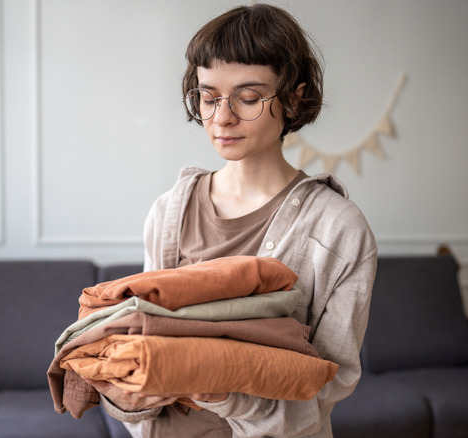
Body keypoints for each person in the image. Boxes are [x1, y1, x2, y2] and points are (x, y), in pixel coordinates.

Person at [85, 4, 377, 437]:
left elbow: (332, 380)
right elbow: (141, 340)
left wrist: (215, 386)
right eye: (208, 96)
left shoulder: (338, 227)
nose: (222, 117)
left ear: (294, 96)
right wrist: (128, 388)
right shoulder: (170, 210)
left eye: (248, 97)